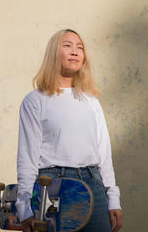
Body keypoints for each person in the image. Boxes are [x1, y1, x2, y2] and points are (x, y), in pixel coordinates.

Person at [16, 29, 123, 232]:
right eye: (67, 45)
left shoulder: (91, 101)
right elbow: (27, 156)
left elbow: (104, 154)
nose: (75, 51)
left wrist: (113, 198)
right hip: (52, 186)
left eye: (80, 47)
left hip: (94, 184)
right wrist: (24, 205)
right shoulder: (35, 100)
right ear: (53, 53)